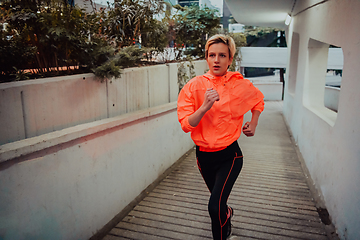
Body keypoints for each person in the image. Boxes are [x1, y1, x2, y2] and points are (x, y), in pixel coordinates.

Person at [177, 34, 264, 240]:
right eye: (212, 55)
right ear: (206, 58)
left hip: (230, 156)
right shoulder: (193, 86)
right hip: (203, 158)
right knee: (219, 205)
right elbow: (186, 125)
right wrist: (205, 105)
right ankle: (227, 214)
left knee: (214, 206)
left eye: (222, 55)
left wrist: (254, 122)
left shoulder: (238, 84)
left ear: (230, 59)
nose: (216, 60)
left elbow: (258, 100)